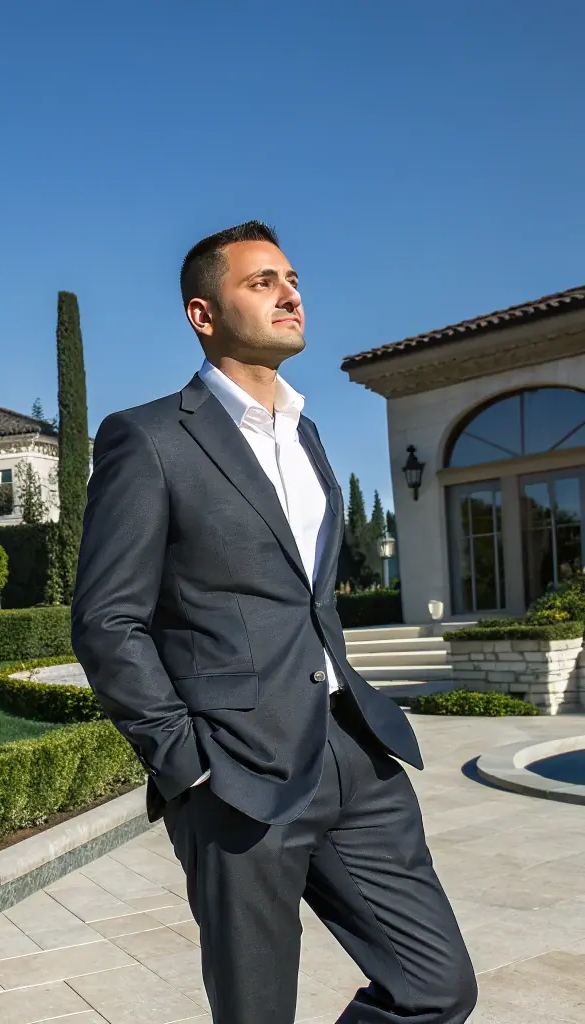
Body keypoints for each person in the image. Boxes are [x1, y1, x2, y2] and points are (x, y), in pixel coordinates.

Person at [70, 222, 477, 1024]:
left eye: (291, 279)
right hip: (236, 775)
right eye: (261, 282)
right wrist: (185, 764)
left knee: (436, 986)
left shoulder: (307, 434)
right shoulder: (149, 438)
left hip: (353, 752)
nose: (289, 293)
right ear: (203, 313)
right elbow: (107, 619)